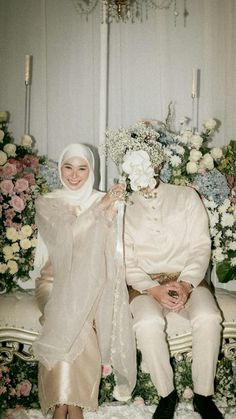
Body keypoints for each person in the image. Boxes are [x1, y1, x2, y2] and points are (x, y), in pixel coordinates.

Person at [32, 143, 136, 419]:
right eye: (68, 167)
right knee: (67, 312)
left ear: (92, 170)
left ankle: (67, 403)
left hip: (93, 281)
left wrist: (112, 215)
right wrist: (101, 209)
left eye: (82, 168)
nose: (74, 175)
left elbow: (111, 249)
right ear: (60, 168)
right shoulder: (47, 202)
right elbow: (67, 239)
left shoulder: (102, 199)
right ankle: (69, 402)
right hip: (54, 282)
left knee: (76, 314)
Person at [124, 176, 223, 419]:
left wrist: (187, 284)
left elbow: (201, 246)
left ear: (158, 161)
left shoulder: (185, 196)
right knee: (147, 323)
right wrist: (153, 288)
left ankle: (203, 396)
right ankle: (167, 394)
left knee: (209, 316)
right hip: (145, 285)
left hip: (188, 279)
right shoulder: (125, 204)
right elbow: (124, 259)